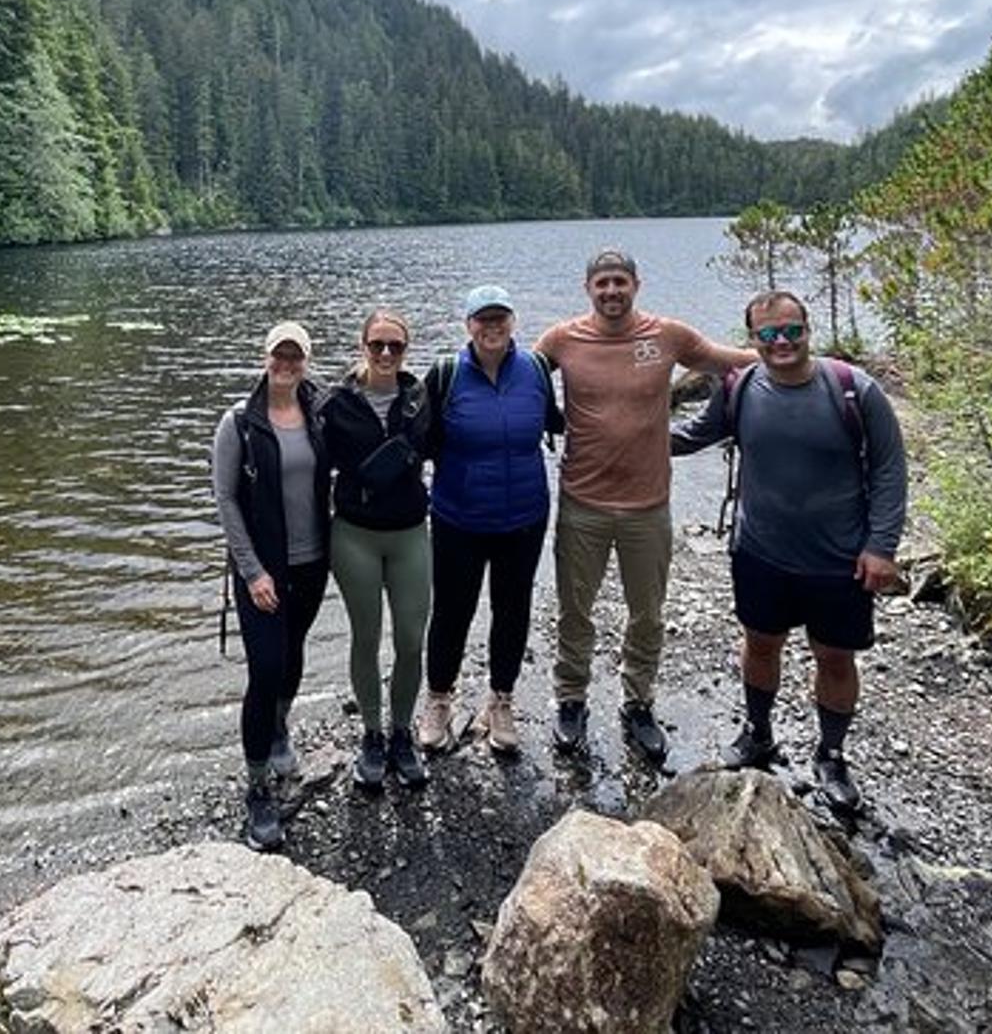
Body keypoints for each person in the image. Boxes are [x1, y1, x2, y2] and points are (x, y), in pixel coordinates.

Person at [670, 291, 909, 812]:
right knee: (760, 644)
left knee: (835, 656)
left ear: (808, 329)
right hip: (760, 551)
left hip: (838, 558)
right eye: (769, 335)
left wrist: (881, 546)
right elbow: (693, 436)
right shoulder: (740, 388)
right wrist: (619, 435)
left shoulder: (852, 390)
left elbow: (890, 469)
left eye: (791, 331)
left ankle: (831, 754)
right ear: (753, 339)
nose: (782, 343)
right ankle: (758, 733)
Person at [534, 248, 756, 762]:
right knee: (574, 611)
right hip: (582, 502)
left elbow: (725, 360)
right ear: (588, 289)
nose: (611, 291)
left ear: (636, 284)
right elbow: (512, 377)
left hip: (648, 505)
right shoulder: (561, 340)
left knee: (648, 614)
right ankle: (571, 699)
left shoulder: (667, 336)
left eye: (620, 282)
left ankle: (638, 703)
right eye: (602, 283)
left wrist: (787, 355)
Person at [418, 285, 561, 758]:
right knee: (452, 610)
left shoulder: (536, 370)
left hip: (523, 515)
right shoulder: (445, 375)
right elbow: (416, 441)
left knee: (512, 607)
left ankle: (501, 699)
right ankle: (439, 700)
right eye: (483, 319)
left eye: (500, 318)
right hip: (459, 516)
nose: (492, 327)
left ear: (512, 323)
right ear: (468, 326)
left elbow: (563, 422)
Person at [211, 320, 332, 851]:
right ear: (265, 358)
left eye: (295, 355)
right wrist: (252, 570)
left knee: (293, 652)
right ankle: (258, 785)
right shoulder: (238, 423)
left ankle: (281, 725)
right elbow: (226, 500)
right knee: (264, 668)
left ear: (305, 360)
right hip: (263, 567)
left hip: (311, 562)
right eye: (278, 354)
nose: (286, 363)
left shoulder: (320, 412)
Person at [319, 310, 433, 790]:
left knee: (410, 639)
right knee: (365, 637)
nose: (386, 354)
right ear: (361, 346)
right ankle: (371, 733)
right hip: (355, 536)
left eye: (396, 346)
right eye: (377, 345)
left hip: (409, 533)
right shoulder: (334, 402)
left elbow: (449, 450)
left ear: (407, 350)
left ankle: (402, 732)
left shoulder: (422, 397)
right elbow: (306, 465)